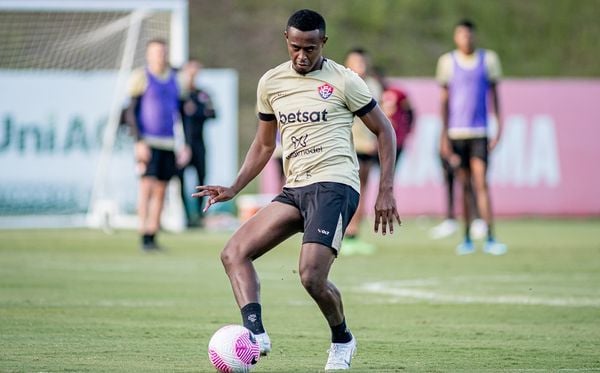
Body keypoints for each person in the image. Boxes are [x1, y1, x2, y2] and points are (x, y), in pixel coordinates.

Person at [192, 9, 400, 370]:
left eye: (310, 48)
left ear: (324, 43)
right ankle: (254, 334)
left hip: (335, 185)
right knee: (233, 252)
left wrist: (385, 190)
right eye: (295, 48)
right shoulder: (271, 83)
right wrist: (234, 188)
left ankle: (342, 339)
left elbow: (385, 130)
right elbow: (263, 146)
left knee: (311, 276)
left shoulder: (345, 81)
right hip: (296, 187)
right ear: (286, 41)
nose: (302, 56)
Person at [436, 19, 507, 255]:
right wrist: (444, 136)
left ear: (474, 36)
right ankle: (465, 238)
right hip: (456, 133)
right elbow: (444, 102)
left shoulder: (488, 60)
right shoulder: (447, 62)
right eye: (462, 35)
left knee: (481, 183)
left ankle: (490, 237)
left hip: (479, 132)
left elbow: (495, 97)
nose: (466, 39)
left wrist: (499, 127)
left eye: (469, 35)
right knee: (464, 186)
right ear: (456, 37)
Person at [126, 38, 190, 251]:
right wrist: (139, 141)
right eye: (156, 52)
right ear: (148, 55)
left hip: (168, 143)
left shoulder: (176, 80)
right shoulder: (141, 77)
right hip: (148, 142)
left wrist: (185, 144)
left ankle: (152, 234)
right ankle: (142, 233)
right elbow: (132, 113)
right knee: (147, 186)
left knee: (162, 188)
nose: (160, 56)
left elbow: (181, 115)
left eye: (163, 52)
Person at [341, 48, 384, 255]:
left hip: (366, 146)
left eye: (363, 62)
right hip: (346, 146)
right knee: (343, 191)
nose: (361, 66)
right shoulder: (341, 83)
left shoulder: (373, 85)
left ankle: (353, 233)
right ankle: (339, 233)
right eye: (356, 62)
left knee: (362, 190)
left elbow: (379, 118)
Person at [178, 58, 216, 227]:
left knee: (201, 180)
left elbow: (213, 113)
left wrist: (197, 111)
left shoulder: (202, 94)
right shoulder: (179, 95)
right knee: (179, 180)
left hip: (199, 144)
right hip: (181, 145)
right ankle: (186, 216)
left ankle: (199, 216)